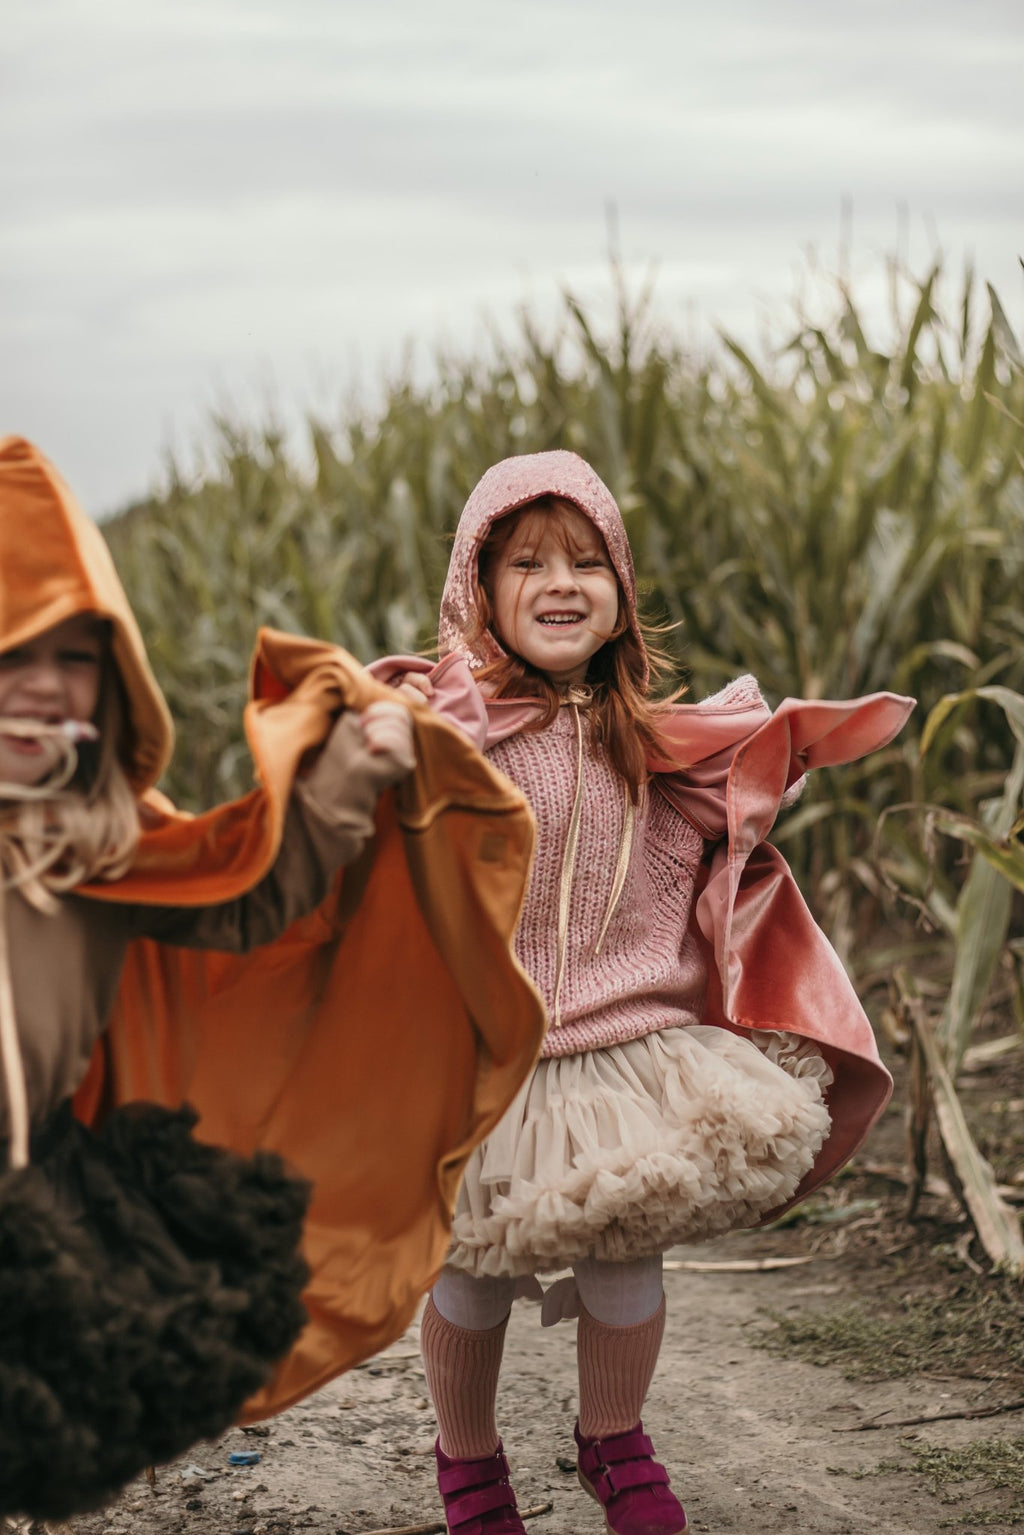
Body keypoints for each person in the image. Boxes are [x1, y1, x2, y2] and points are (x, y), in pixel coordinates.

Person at [373, 450, 914, 1535]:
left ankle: (611, 1436)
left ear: (621, 589)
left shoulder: (655, 748)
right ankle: (467, 1458)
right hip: (489, 1057)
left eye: (586, 560)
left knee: (626, 1255)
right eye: (526, 562)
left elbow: (733, 812)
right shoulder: (451, 738)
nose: (559, 582)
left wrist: (774, 762)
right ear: (476, 589)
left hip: (630, 1049)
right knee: (471, 1272)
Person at [0, 434, 425, 1524]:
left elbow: (239, 885)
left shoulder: (97, 838)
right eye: (11, 653)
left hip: (23, 1194)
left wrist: (343, 777)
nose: (41, 685)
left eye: (74, 657)